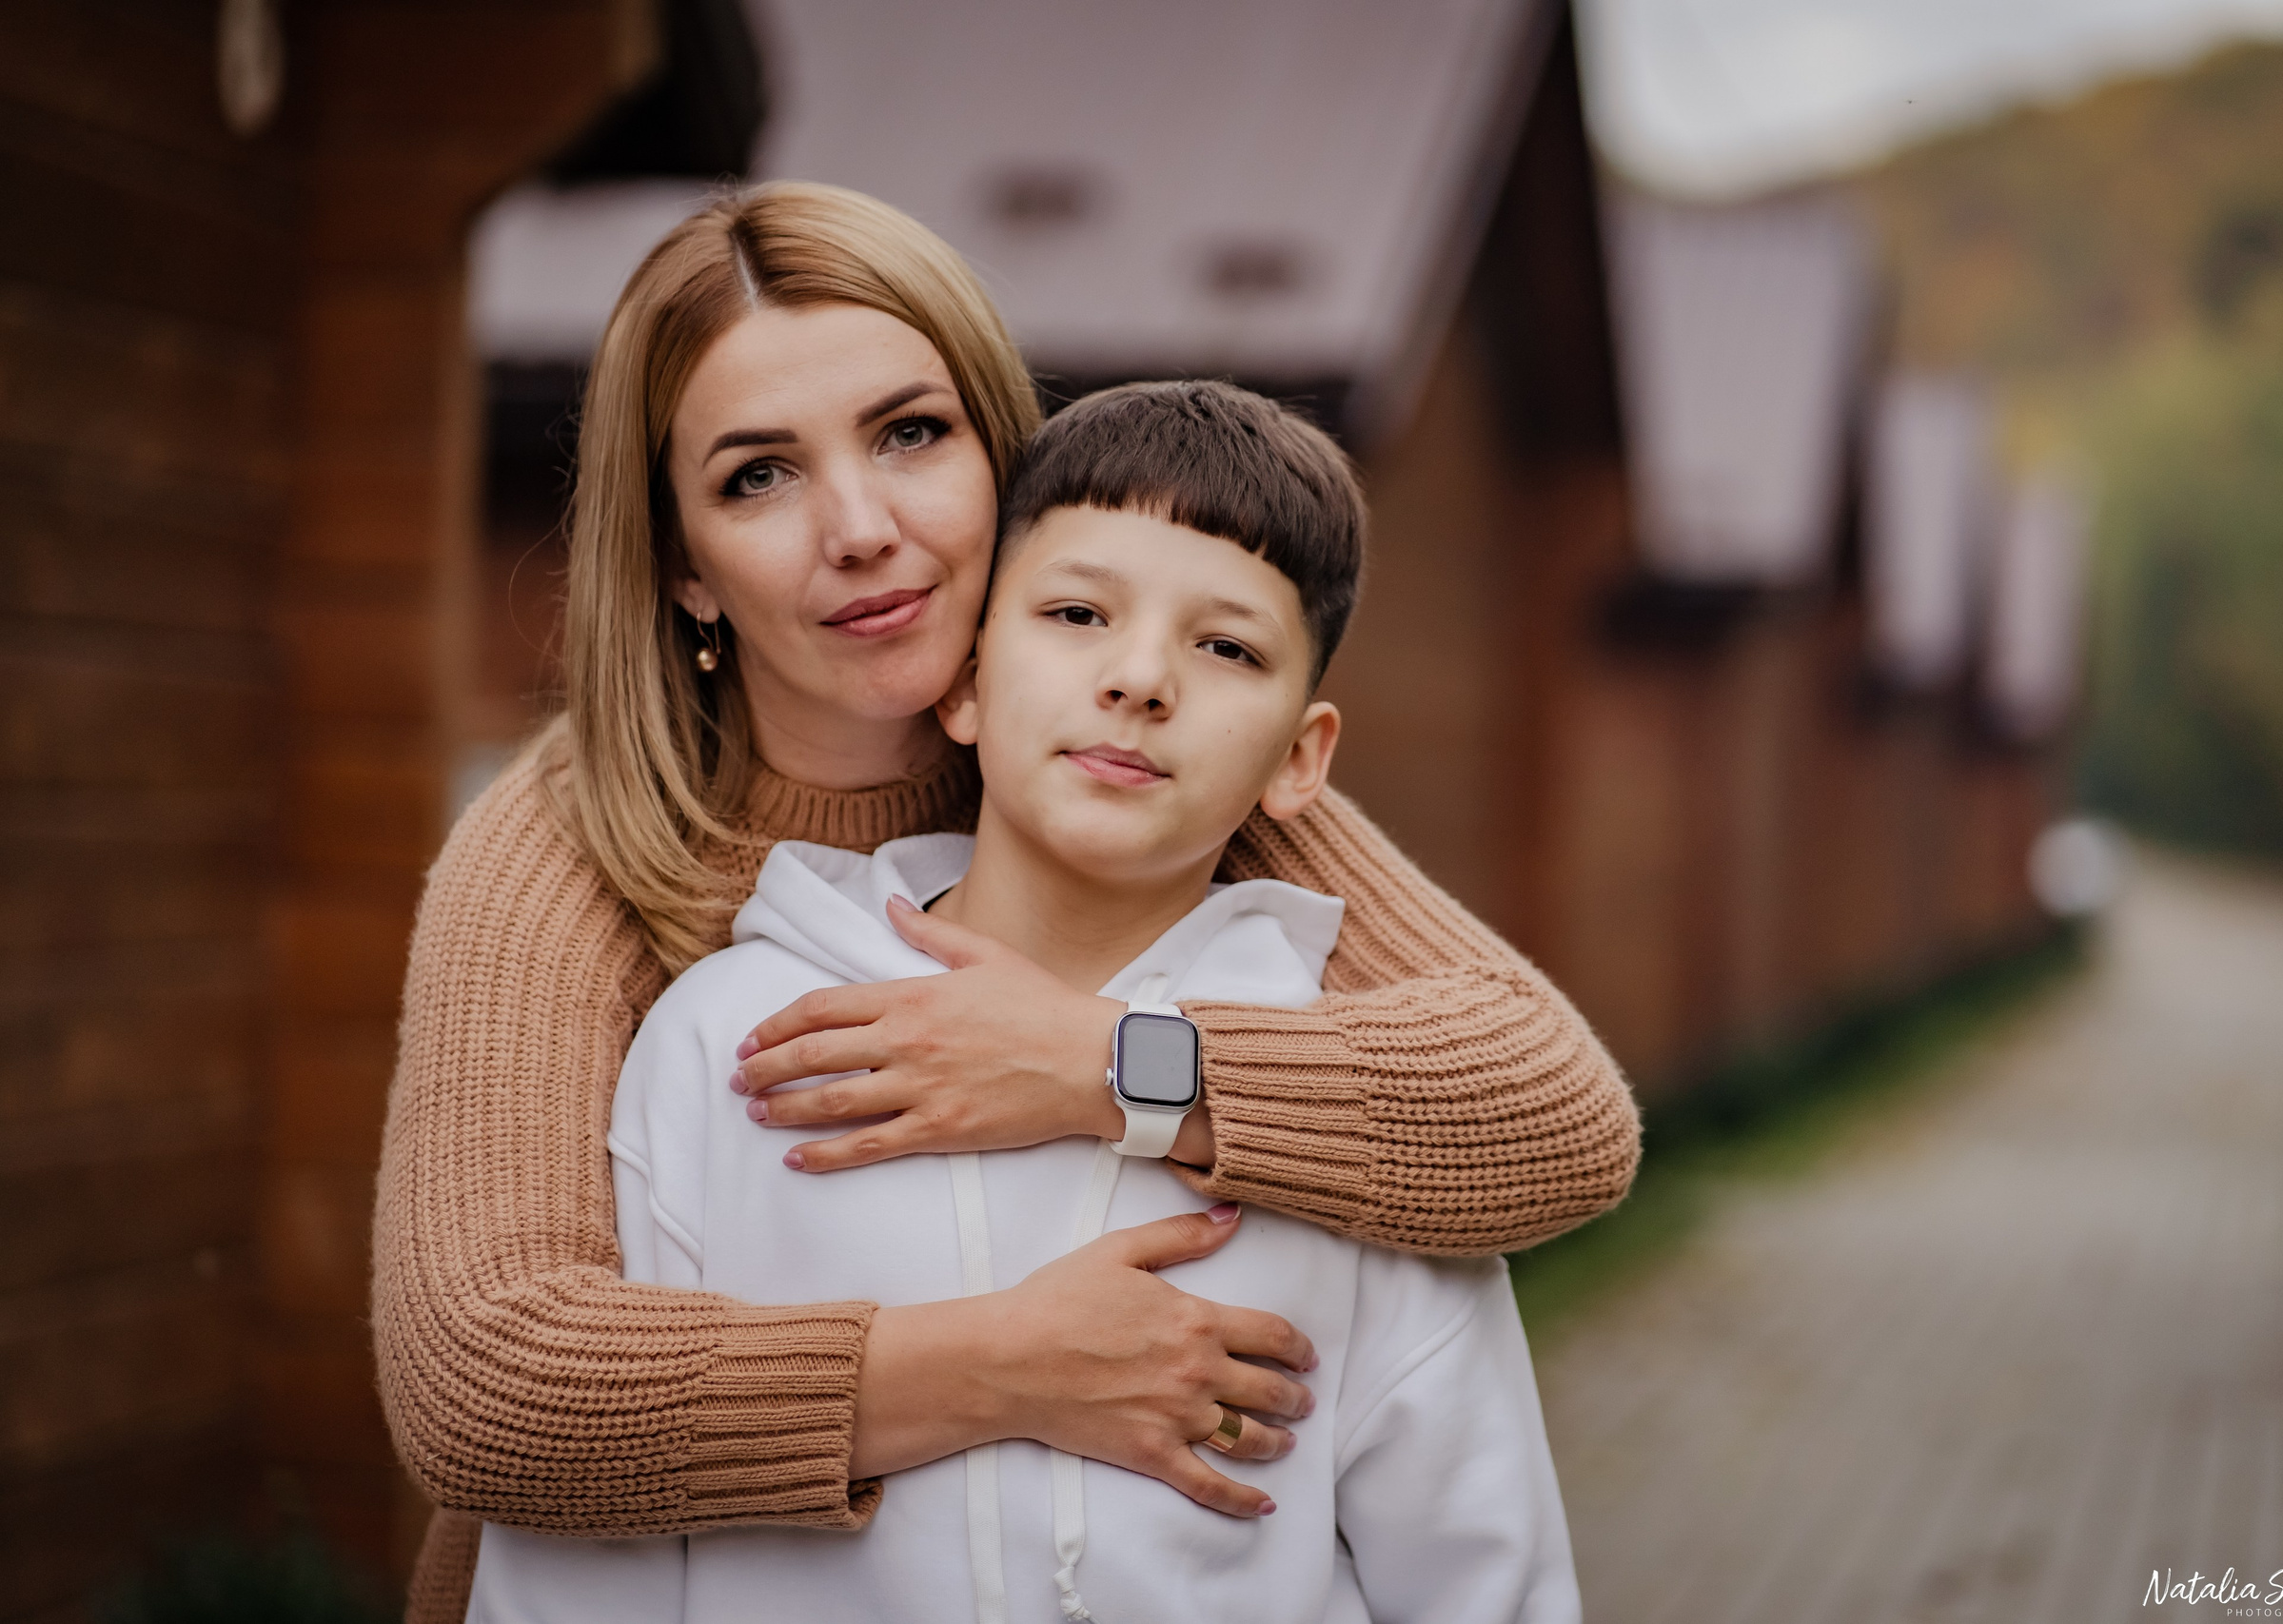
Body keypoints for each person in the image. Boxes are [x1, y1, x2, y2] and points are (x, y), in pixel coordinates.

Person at [372, 182, 1633, 1624]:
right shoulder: (569, 842)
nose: (859, 526)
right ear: (685, 569)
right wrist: (1008, 1367)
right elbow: (489, 1383)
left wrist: (1102, 1068)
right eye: (755, 477)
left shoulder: (1138, 763)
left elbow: (1554, 1116)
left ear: (1000, 453)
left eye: (912, 434)